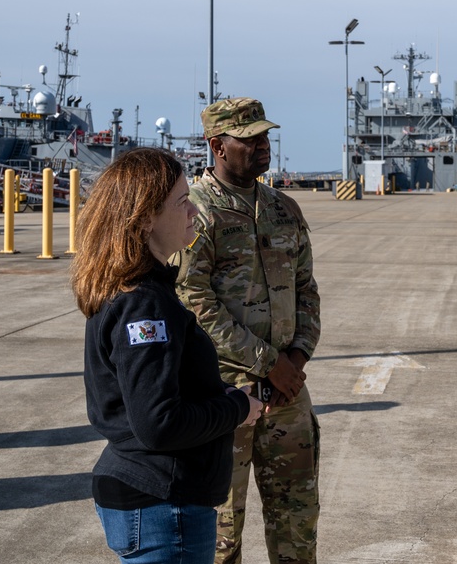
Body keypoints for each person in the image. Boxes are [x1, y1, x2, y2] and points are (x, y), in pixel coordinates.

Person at [71, 148, 263, 564]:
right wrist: (235, 407)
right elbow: (159, 424)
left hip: (150, 497)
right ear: (144, 220)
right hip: (162, 504)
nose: (194, 209)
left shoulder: (130, 289)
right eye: (181, 201)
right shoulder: (144, 305)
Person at [174, 97, 322, 564]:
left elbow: (307, 291)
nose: (263, 146)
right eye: (250, 139)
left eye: (266, 137)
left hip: (287, 397)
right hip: (222, 397)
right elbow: (196, 304)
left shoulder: (284, 209)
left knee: (297, 525)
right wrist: (269, 364)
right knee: (220, 535)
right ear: (217, 145)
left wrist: (294, 362)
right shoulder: (195, 213)